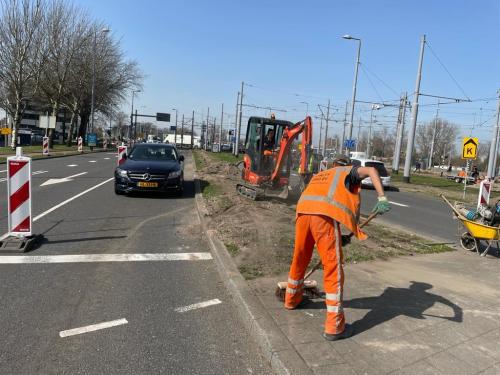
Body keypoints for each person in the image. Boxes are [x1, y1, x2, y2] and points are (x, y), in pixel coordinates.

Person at [284, 155, 390, 341]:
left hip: (303, 213)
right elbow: (372, 171)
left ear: (332, 164)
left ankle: (291, 300)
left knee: (300, 258)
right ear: (348, 165)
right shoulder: (348, 172)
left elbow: (348, 209)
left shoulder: (323, 174)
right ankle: (334, 327)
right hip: (323, 218)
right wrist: (382, 197)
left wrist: (344, 235)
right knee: (333, 268)